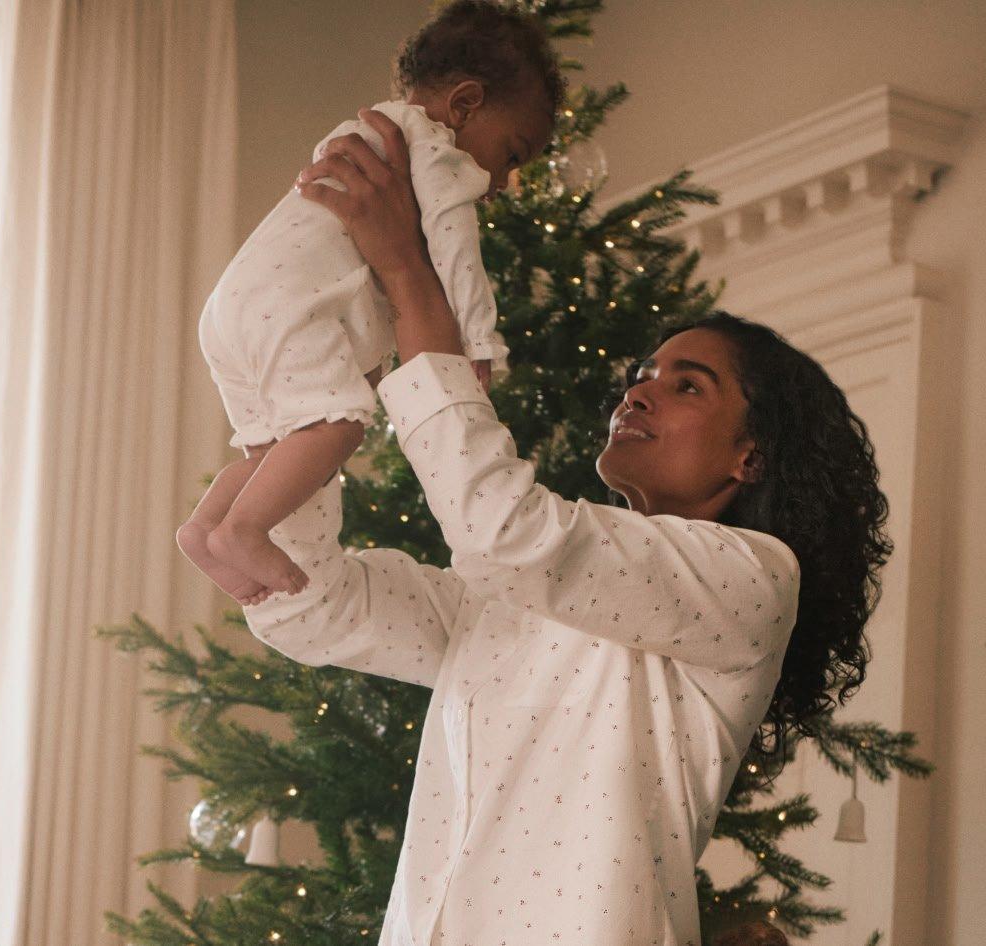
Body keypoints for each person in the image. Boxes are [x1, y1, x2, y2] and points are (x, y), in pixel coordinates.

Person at [242, 100, 891, 946]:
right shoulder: (513, 602)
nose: (639, 392)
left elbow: (505, 533)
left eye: (687, 386)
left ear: (752, 458)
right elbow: (318, 606)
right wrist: (297, 405)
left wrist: (407, 272)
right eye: (641, 375)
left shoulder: (753, 577)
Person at [176, 0, 562, 605]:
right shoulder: (436, 151)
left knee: (280, 452)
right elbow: (457, 253)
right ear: (465, 104)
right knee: (337, 426)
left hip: (233, 307)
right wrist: (477, 342)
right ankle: (240, 530)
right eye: (512, 155)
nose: (504, 182)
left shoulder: (364, 134)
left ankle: (206, 528)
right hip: (287, 306)